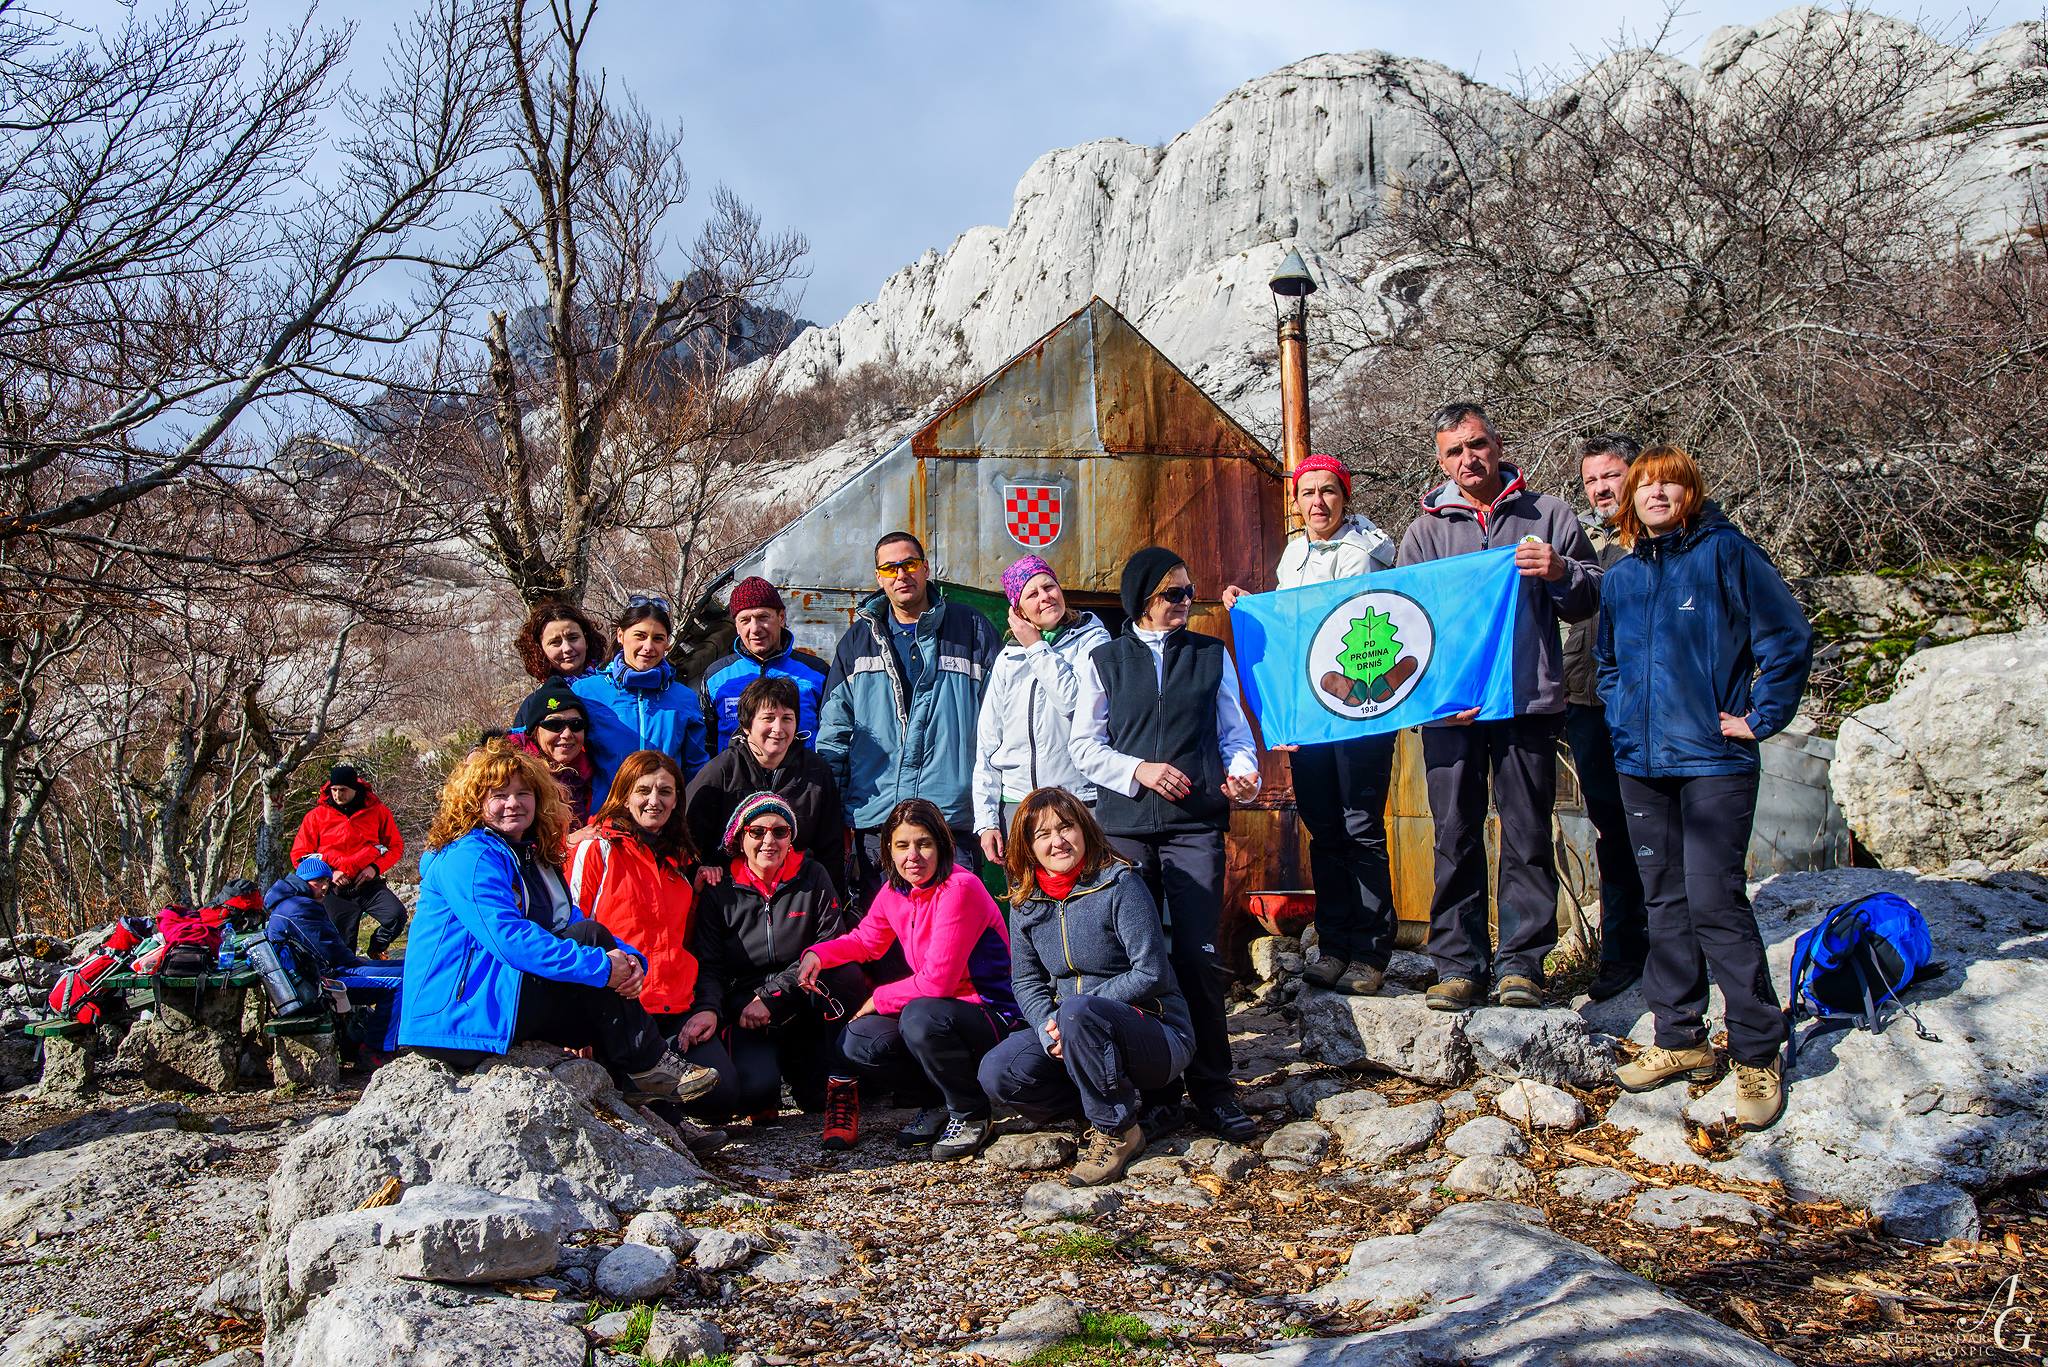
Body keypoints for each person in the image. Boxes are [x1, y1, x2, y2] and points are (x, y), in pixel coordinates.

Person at [1596, 446, 1812, 1132]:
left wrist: (1760, 717)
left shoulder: (1727, 555)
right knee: (1664, 900)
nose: (1657, 494)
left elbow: (1787, 636)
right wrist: (1622, 708)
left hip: (1715, 760)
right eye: (1645, 486)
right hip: (1640, 759)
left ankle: (1755, 1048)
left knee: (1716, 900)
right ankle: (1681, 1038)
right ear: (1630, 501)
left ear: (1691, 492)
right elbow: (1606, 662)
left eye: (1670, 484)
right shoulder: (1623, 577)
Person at [1396, 402, 1601, 1013]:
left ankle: (1523, 965)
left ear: (1498, 443)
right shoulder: (1425, 531)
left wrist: (1561, 571)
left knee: (1527, 833)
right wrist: (1436, 693)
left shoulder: (1549, 514)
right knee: (1453, 834)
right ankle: (1458, 965)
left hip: (1527, 702)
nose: (1468, 459)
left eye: (1477, 444)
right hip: (1452, 711)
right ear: (1441, 461)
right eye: (1454, 451)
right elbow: (1405, 624)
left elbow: (1588, 596)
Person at [395, 741, 716, 1099]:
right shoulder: (469, 854)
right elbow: (509, 938)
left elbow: (570, 918)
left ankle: (658, 1105)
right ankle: (654, 1068)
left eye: (523, 793)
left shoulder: (532, 854)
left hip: (500, 998)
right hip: (459, 1015)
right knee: (595, 963)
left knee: (595, 958)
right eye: (499, 795)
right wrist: (602, 968)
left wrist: (629, 959)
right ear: (475, 802)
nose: (513, 803)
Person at [1070, 546, 1261, 1142]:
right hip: (1125, 826)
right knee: (1137, 959)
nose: (1185, 602)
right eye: (1173, 593)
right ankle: (1155, 1091)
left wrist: (1245, 771)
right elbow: (1085, 747)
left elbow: (1234, 733)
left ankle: (1214, 1088)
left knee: (1199, 956)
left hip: (1196, 824)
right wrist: (1139, 771)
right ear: (1142, 600)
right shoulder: (1103, 661)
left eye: (1188, 591)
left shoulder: (1211, 655)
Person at [1223, 454, 1399, 996]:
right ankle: (1336, 944)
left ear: (1345, 497)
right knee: (1323, 830)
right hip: (1310, 710)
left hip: (1361, 708)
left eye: (1328, 491)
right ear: (1296, 502)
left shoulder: (1370, 551)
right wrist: (1253, 608)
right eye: (1308, 493)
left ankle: (1370, 952)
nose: (1318, 502)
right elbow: (1292, 624)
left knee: (1361, 828)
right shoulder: (1294, 552)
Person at [978, 789, 1195, 1186]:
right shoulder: (1026, 901)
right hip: (1073, 1028)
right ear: (1027, 847)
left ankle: (1117, 1132)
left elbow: (1150, 972)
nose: (1057, 841)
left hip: (1154, 1032)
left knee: (1080, 1012)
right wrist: (1049, 1028)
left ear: (1084, 828)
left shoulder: (1120, 884)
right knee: (999, 1072)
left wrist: (1074, 1012)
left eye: (1066, 827)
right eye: (1042, 835)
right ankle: (1107, 1105)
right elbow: (1025, 980)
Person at [797, 798, 1019, 1160]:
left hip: (990, 1014)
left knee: (918, 1017)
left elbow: (937, 984)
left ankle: (972, 1112)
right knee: (858, 1042)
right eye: (902, 845)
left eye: (923, 843)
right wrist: (818, 954)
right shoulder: (894, 891)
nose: (912, 855)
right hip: (940, 1014)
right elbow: (866, 941)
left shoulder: (960, 888)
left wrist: (877, 1000)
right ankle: (936, 1103)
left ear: (942, 846)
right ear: (888, 850)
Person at [815, 532, 999, 905]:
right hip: (878, 820)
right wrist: (835, 816)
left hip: (950, 821)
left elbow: (1000, 725)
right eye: (890, 567)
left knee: (953, 941)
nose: (901, 574)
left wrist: (990, 811)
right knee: (884, 945)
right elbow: (834, 734)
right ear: (879, 577)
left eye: (910, 564)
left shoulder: (971, 629)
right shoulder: (857, 640)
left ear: (926, 568)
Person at [687, 793, 867, 1144]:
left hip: (802, 1002)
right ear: (740, 838)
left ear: (790, 839)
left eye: (780, 831)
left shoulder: (812, 876)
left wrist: (772, 997)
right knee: (755, 1093)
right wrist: (711, 1007)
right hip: (745, 1009)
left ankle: (838, 1089)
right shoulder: (720, 889)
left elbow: (831, 944)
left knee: (845, 976)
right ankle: (769, 1082)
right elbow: (709, 963)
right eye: (757, 832)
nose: (769, 841)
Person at [1559, 434, 1650, 1002]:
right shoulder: (1597, 547)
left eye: (1610, 476)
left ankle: (1672, 949)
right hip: (1587, 707)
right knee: (1611, 833)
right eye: (1591, 481)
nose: (1600, 489)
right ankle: (1621, 956)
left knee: (1656, 832)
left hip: (1645, 713)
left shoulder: (1670, 543)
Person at [971, 555, 1111, 866]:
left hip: (1077, 801)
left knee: (1083, 899)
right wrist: (987, 820)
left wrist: (1036, 647)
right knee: (1029, 903)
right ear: (1018, 611)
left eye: (1049, 586)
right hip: (1018, 805)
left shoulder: (1093, 640)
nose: (1045, 596)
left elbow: (1075, 703)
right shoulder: (1008, 659)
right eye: (1032, 594)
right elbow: (989, 743)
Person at [685, 677, 846, 895]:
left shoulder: (816, 772)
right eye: (768, 718)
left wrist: (833, 901)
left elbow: (830, 848)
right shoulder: (720, 772)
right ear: (746, 725)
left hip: (798, 893)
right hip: (732, 894)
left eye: (787, 718)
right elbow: (689, 837)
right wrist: (702, 871)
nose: (778, 729)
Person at [572, 595, 710, 811]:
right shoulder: (587, 692)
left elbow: (695, 768)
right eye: (640, 636)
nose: (648, 646)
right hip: (606, 818)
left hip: (664, 821)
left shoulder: (683, 698)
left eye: (658, 638)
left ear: (667, 643)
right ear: (620, 635)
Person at [698, 577, 831, 754]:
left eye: (763, 617)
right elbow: (706, 744)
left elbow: (832, 736)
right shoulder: (716, 676)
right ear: (736, 626)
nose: (755, 628)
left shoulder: (817, 673)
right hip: (735, 780)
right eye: (745, 620)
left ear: (781, 617)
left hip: (801, 780)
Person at [290, 763, 408, 958]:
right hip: (335, 890)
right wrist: (329, 873)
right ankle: (348, 985)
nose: (337, 795)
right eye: (334, 790)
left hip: (368, 883)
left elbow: (395, 846)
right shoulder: (315, 817)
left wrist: (375, 868)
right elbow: (300, 856)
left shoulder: (377, 811)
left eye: (343, 790)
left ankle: (377, 948)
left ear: (355, 789)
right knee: (344, 947)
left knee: (396, 916)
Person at [509, 679, 596, 829]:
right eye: (554, 725)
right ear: (535, 731)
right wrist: (565, 843)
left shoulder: (590, 774)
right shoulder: (510, 771)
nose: (567, 734)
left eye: (576, 725)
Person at [265, 855, 360, 977]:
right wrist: (356, 961)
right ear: (304, 881)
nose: (325, 887)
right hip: (323, 980)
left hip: (314, 974)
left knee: (387, 968)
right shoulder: (300, 907)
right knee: (392, 978)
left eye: (327, 881)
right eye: (318, 881)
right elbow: (330, 952)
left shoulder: (289, 902)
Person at [514, 599, 610, 682]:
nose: (567, 648)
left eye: (573, 638)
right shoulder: (542, 700)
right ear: (540, 650)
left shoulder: (615, 680)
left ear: (586, 640)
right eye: (555, 642)